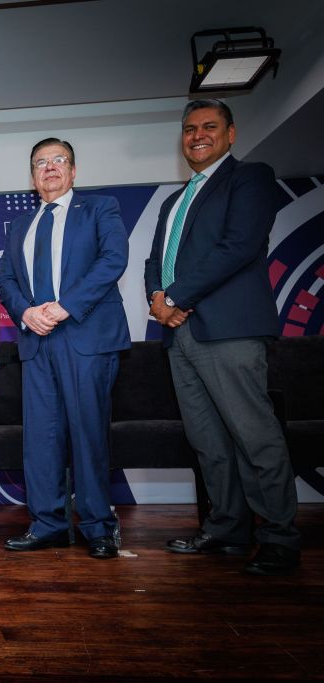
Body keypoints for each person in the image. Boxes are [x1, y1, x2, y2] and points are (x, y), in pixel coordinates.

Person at [144, 99, 300, 576]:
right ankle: (228, 528)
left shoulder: (249, 178)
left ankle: (278, 538)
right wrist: (157, 297)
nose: (198, 135)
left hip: (229, 330)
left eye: (209, 126)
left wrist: (176, 297)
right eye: (190, 129)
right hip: (180, 335)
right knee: (208, 441)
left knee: (254, 437)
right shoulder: (173, 201)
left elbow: (238, 247)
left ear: (231, 134)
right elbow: (155, 260)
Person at [0, 138, 130, 560]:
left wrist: (64, 306)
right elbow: (6, 279)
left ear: (73, 171)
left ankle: (98, 527)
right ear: (32, 176)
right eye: (41, 162)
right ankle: (48, 524)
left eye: (59, 160)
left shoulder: (100, 208)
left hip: (85, 336)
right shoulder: (20, 225)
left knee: (88, 433)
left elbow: (113, 260)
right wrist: (25, 312)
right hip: (36, 341)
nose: (50, 167)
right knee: (41, 438)